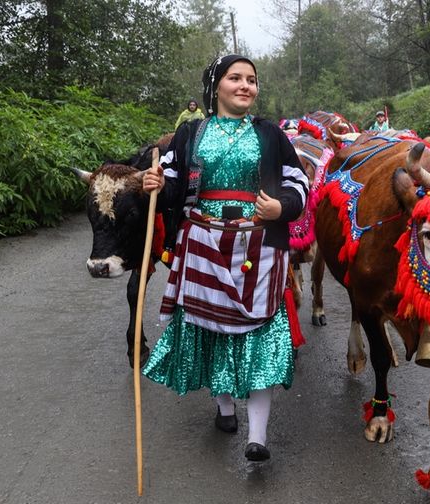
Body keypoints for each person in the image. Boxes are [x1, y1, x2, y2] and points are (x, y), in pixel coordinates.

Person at [142, 54, 309, 461]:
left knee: (260, 332)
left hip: (259, 246)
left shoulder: (271, 134)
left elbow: (298, 181)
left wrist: (282, 208)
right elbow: (172, 184)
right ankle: (224, 410)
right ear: (216, 85)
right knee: (210, 328)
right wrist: (155, 184)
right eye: (235, 78)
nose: (245, 86)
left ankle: (258, 437)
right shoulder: (190, 134)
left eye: (251, 79)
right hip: (202, 242)